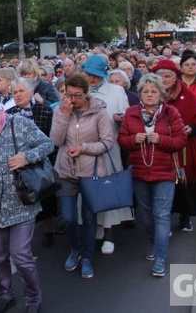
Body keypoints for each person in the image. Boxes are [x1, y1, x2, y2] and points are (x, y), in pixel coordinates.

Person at [0, 88, 52, 313]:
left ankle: (33, 299)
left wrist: (26, 157)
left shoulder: (19, 124)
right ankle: (5, 295)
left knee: (21, 257)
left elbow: (47, 144)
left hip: (21, 206)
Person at [118, 74, 186, 277]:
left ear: (161, 94)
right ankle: (153, 242)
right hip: (139, 172)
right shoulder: (130, 113)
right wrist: (132, 139)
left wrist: (162, 140)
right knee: (146, 215)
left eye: (154, 91)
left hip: (165, 172)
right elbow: (121, 140)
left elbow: (181, 140)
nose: (149, 95)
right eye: (146, 91)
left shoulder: (170, 113)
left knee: (162, 215)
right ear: (140, 94)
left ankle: (160, 257)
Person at [50, 73, 114, 280]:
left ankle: (87, 256)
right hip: (66, 172)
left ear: (86, 94)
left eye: (77, 95)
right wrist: (64, 114)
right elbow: (56, 140)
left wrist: (84, 148)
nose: (72, 99)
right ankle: (75, 249)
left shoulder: (98, 113)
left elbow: (107, 143)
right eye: (68, 94)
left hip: (91, 173)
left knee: (89, 217)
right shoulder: (61, 110)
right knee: (69, 217)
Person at [151, 60, 196, 232]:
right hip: (159, 148)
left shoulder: (185, 93)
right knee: (162, 185)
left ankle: (185, 216)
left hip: (182, 150)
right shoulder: (151, 94)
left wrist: (191, 128)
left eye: (167, 76)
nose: (163, 80)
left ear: (175, 77)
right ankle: (165, 221)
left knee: (182, 184)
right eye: (160, 76)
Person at [80, 54, 132, 254]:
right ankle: (96, 226)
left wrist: (120, 119)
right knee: (90, 189)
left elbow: (126, 117)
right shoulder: (81, 91)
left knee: (109, 188)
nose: (91, 78)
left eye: (95, 75)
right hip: (85, 148)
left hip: (109, 148)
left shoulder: (117, 91)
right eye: (88, 74)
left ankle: (109, 233)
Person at [7, 77, 58, 247]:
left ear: (31, 93)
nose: (18, 95)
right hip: (19, 164)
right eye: (15, 92)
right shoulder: (9, 114)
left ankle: (49, 230)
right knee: (24, 197)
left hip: (42, 160)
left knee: (46, 197)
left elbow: (51, 139)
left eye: (21, 91)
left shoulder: (44, 110)